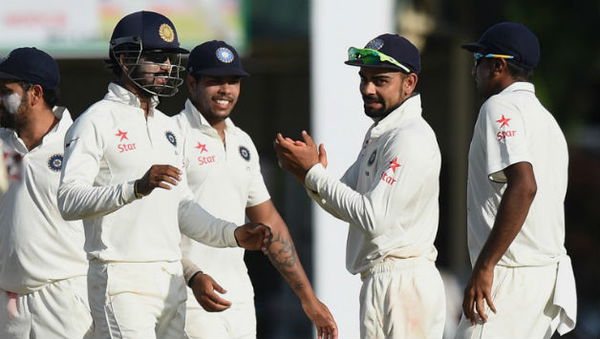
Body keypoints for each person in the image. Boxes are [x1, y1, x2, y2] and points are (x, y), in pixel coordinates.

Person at [57, 11, 270, 339]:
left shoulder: (165, 127)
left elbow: (183, 206)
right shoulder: (96, 120)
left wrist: (233, 234)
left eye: (171, 59)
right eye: (157, 58)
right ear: (125, 59)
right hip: (121, 279)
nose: (167, 68)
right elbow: (69, 200)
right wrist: (136, 187)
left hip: (170, 279)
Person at [274, 33, 445, 339]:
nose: (368, 89)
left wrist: (314, 173)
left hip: (405, 284)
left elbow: (373, 218)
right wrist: (306, 175)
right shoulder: (381, 134)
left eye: (380, 80)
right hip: (380, 281)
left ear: (409, 83)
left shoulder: (410, 137)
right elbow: (346, 202)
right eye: (364, 79)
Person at [172, 40, 338, 339]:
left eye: (233, 81)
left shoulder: (242, 142)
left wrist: (308, 298)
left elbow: (270, 224)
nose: (226, 89)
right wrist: (191, 274)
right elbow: (156, 226)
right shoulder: (171, 136)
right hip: (189, 297)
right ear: (192, 83)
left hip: (239, 298)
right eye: (214, 81)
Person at [455, 22, 577, 338]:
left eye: (478, 60)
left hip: (510, 278)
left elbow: (524, 185)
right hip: (544, 280)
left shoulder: (499, 106)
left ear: (498, 65)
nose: (473, 71)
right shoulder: (547, 121)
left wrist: (484, 267)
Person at [0, 47, 92, 338]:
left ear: (35, 93)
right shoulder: (3, 145)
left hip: (64, 300)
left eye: (5, 91)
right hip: (9, 303)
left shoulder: (80, 142)